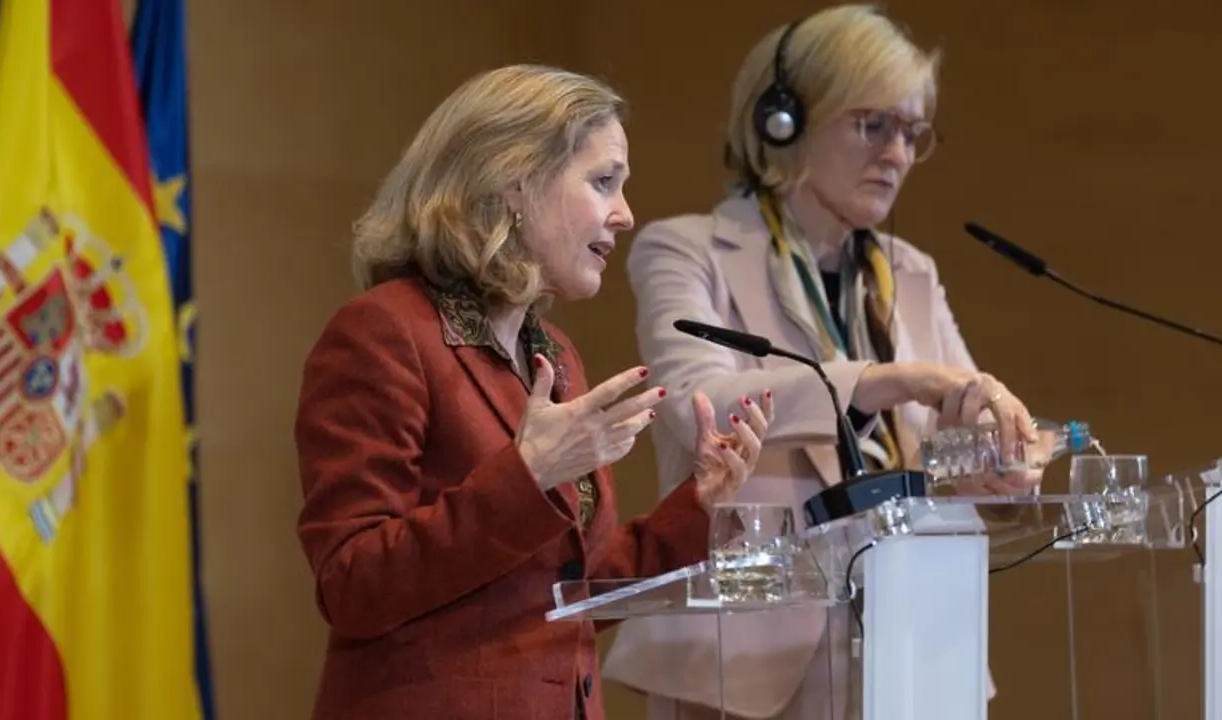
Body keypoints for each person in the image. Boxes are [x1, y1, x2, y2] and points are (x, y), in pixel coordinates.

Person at [292, 64, 782, 720]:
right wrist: (527, 476)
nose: (626, 214)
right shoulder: (384, 331)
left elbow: (569, 591)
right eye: (603, 182)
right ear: (515, 182)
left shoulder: (552, 353)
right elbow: (352, 585)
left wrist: (700, 506)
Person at [603, 5, 1042, 719]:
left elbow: (956, 424)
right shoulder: (685, 249)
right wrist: (886, 381)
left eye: (913, 132)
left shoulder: (911, 271)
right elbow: (696, 405)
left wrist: (1001, 461)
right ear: (785, 121)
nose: (898, 153)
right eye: (873, 125)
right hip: (743, 658)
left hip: (909, 643)